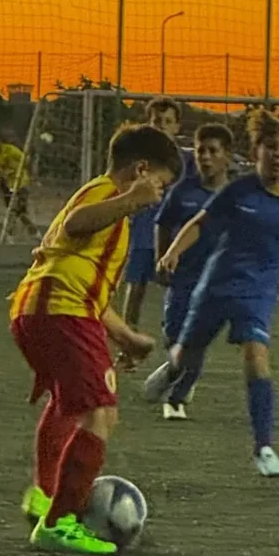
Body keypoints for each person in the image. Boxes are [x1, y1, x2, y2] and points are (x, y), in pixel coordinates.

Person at [10, 123, 182, 555]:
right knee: (100, 414)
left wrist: (126, 336)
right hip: (59, 311)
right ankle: (60, 521)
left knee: (69, 406)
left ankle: (46, 495)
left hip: (41, 310)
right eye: (159, 183)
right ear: (142, 169)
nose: (157, 195)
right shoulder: (106, 194)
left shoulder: (106, 205)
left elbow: (83, 279)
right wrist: (130, 199)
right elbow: (75, 223)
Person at [144, 110, 279, 477]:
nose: (278, 155)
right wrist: (172, 253)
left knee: (256, 355)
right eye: (271, 147)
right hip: (217, 285)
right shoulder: (238, 191)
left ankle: (264, 448)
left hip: (259, 292)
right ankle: (173, 366)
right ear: (257, 151)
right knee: (189, 355)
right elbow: (198, 223)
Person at [151, 122, 234, 420]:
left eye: (213, 151)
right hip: (183, 277)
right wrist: (162, 258)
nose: (206, 157)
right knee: (173, 336)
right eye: (201, 151)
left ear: (227, 156)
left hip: (216, 281)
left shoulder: (237, 196)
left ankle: (177, 397)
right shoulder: (182, 192)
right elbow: (162, 224)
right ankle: (176, 368)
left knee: (197, 341)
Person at [117, 97, 194, 370]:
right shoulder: (140, 161)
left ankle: (177, 353)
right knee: (135, 289)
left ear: (176, 126)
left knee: (176, 293)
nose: (161, 126)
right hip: (142, 230)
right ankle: (128, 349)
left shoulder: (188, 160)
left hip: (173, 236)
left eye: (167, 122)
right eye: (156, 121)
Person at [0, 127, 39, 242]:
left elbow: (26, 160)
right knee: (19, 212)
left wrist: (16, 169)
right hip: (7, 185)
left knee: (15, 209)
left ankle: (9, 234)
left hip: (20, 183)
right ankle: (33, 232)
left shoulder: (11, 150)